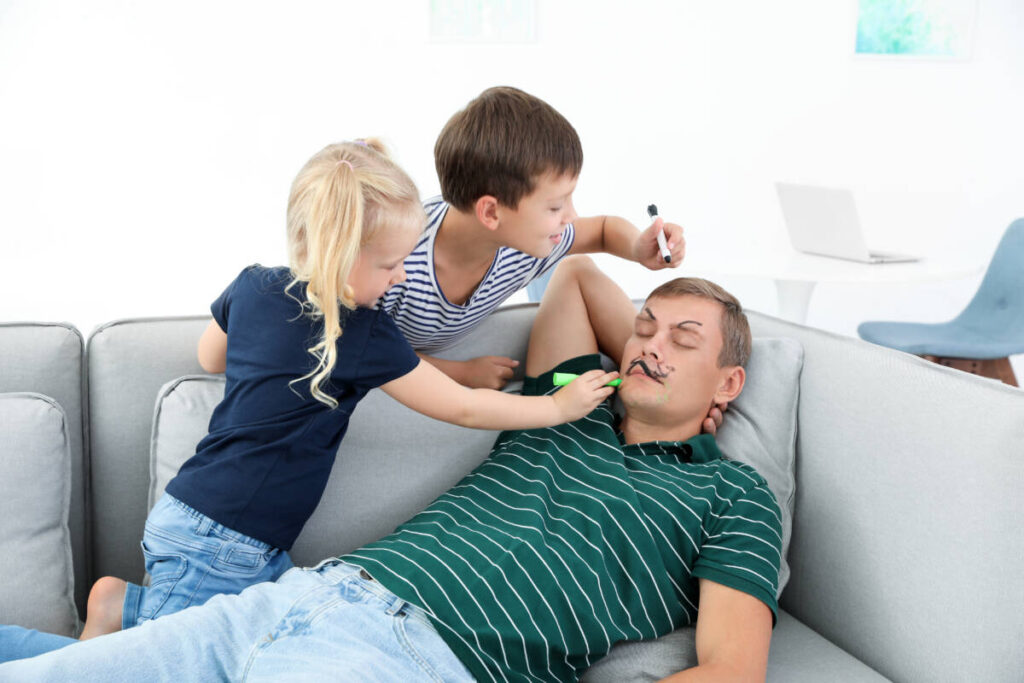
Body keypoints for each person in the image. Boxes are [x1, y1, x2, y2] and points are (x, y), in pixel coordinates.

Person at [0, 256, 782, 682]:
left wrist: (683, 381)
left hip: (415, 654)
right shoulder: (564, 407)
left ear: (730, 384)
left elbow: (732, 669)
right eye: (644, 327)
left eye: (685, 339)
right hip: (303, 594)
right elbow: (575, 275)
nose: (649, 343)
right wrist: (652, 354)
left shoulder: (730, 493)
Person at [17, 139, 617, 653]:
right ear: (340, 255)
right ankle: (110, 615)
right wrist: (555, 408)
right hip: (226, 544)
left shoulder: (254, 286)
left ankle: (124, 606)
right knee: (160, 663)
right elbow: (458, 408)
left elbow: (210, 357)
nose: (402, 277)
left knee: (267, 645)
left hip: (215, 524)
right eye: (389, 265)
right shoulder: (360, 333)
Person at [381, 86, 688, 390]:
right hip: (398, 354)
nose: (571, 216)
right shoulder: (394, 262)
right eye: (556, 206)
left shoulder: (521, 241)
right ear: (491, 213)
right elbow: (359, 346)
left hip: (448, 335)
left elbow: (604, 229)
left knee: (574, 270)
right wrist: (459, 373)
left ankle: (681, 389)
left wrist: (638, 248)